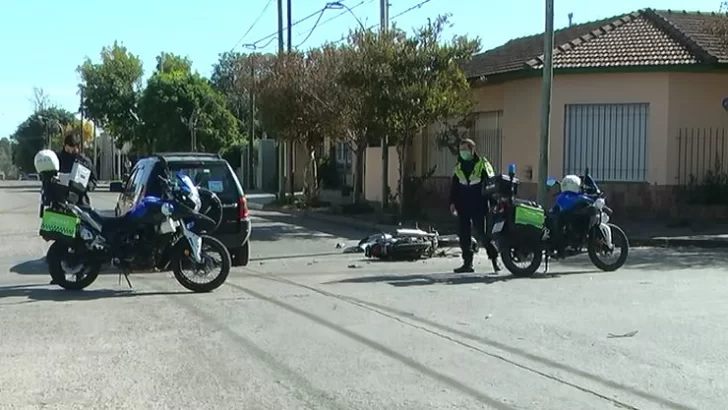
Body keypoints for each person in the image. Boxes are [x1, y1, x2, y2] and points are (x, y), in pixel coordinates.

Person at [449, 138, 501, 273]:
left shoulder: (482, 165)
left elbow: (491, 185)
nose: (462, 152)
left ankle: (495, 260)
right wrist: (452, 203)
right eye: (461, 150)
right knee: (464, 235)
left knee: (483, 235)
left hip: (479, 204)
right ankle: (468, 263)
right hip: (463, 205)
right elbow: (454, 187)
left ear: (472, 150)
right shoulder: (458, 166)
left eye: (465, 149)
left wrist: (493, 202)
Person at [57, 133, 96, 207]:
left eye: (74, 150)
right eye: (68, 149)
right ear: (65, 146)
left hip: (81, 202)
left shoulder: (85, 161)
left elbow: (93, 180)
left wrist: (85, 186)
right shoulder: (57, 159)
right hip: (61, 202)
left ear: (78, 147)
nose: (70, 152)